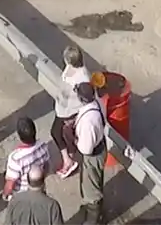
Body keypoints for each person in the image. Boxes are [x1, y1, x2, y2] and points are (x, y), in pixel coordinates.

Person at [51, 46, 91, 177]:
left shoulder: (82, 78)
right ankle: (69, 157)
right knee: (63, 133)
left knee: (57, 132)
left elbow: (85, 97)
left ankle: (68, 160)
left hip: (69, 112)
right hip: (63, 109)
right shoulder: (73, 69)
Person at [72, 82, 108, 224]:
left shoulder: (88, 121)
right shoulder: (97, 103)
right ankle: (95, 210)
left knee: (92, 190)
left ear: (81, 99)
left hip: (92, 156)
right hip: (100, 147)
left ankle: (93, 218)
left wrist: (76, 141)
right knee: (96, 182)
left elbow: (86, 149)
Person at [2, 116, 54, 198]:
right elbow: (47, 166)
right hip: (38, 190)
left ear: (19, 136)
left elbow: (10, 185)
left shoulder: (15, 158)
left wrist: (5, 194)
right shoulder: (43, 146)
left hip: (21, 194)